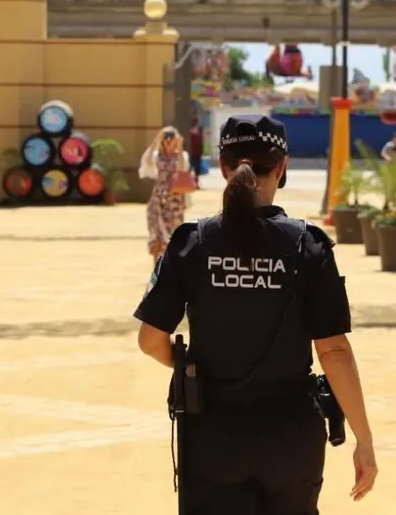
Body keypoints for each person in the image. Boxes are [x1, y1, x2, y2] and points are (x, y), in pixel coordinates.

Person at [134, 115, 378, 514]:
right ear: (281, 167)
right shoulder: (309, 245)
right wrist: (363, 440)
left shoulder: (191, 242)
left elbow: (149, 340)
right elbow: (333, 351)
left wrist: (187, 367)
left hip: (211, 433)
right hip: (290, 436)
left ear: (225, 167)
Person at [141, 126, 192, 263]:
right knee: (156, 235)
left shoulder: (181, 156)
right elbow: (146, 162)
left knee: (173, 237)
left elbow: (183, 168)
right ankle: (156, 270)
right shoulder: (156, 155)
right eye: (166, 138)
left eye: (171, 138)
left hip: (174, 202)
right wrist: (156, 140)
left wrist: (180, 148)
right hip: (158, 200)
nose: (168, 141)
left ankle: (169, 270)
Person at [189, 118, 204, 186]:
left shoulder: (199, 129)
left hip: (197, 153)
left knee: (196, 169)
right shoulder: (190, 130)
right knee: (192, 168)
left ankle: (195, 183)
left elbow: (201, 141)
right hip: (192, 153)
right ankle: (193, 183)